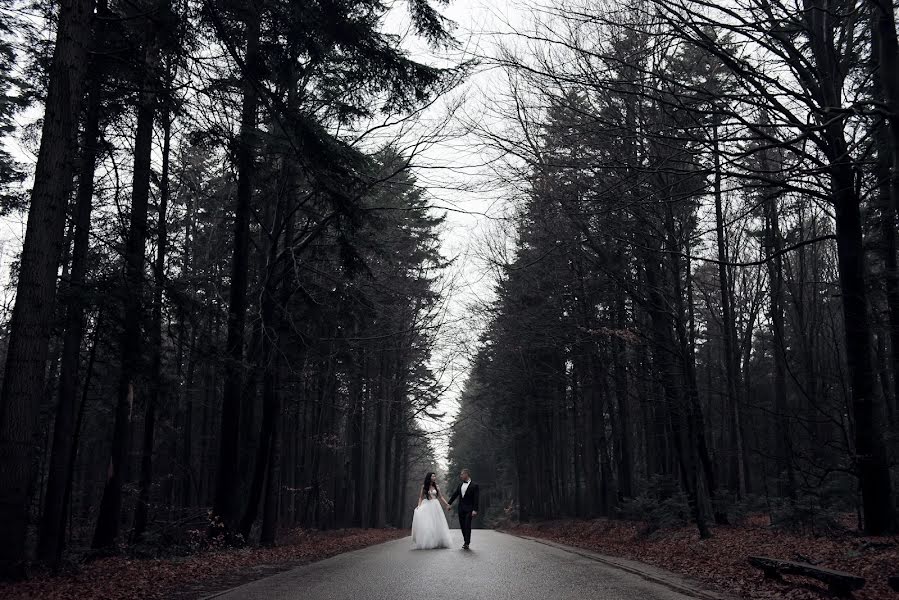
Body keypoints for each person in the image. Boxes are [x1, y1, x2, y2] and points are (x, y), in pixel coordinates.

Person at [411, 472, 453, 549]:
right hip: (427, 505)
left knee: (437, 524)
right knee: (428, 524)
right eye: (433, 476)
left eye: (435, 476)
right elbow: (420, 497)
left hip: (435, 505)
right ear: (429, 477)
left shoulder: (436, 486)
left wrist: (447, 504)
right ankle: (429, 542)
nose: (434, 477)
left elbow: (441, 496)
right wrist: (419, 506)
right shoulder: (424, 487)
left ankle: (439, 541)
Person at [447, 468, 479, 549]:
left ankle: (467, 543)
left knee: (467, 525)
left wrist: (475, 509)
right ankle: (465, 540)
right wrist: (449, 503)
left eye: (462, 474)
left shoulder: (475, 485)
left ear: (466, 474)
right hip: (461, 508)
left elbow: (476, 498)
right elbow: (455, 494)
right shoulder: (460, 485)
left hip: (470, 509)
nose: (460, 476)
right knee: (462, 525)